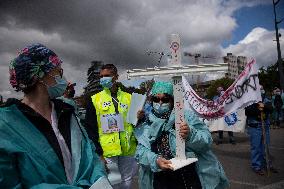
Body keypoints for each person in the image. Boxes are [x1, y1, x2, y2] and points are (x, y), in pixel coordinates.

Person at [0, 44, 112, 188]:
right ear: (41, 77)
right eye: (59, 72)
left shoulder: (67, 113)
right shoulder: (6, 125)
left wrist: (99, 179)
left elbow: (90, 155)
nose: (63, 78)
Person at [135, 81, 229, 189]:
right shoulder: (147, 123)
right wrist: (155, 160)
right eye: (156, 99)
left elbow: (206, 140)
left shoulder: (187, 117)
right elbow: (140, 151)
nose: (160, 103)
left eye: (165, 99)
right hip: (160, 179)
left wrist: (190, 135)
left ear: (172, 101)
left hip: (189, 177)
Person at [84, 64, 137, 189]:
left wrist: (139, 117)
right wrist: (99, 153)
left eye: (107, 76)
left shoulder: (129, 97)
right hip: (107, 151)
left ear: (116, 77)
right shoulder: (94, 99)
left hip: (128, 148)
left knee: (127, 183)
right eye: (101, 76)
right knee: (112, 184)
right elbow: (90, 129)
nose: (103, 79)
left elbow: (136, 123)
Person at [245, 87, 277, 176]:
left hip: (265, 126)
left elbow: (271, 109)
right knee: (256, 147)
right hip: (255, 127)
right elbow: (248, 112)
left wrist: (264, 106)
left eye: (262, 89)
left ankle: (267, 164)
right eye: (259, 89)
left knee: (265, 146)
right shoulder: (250, 100)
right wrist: (257, 106)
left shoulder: (266, 98)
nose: (261, 90)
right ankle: (256, 166)